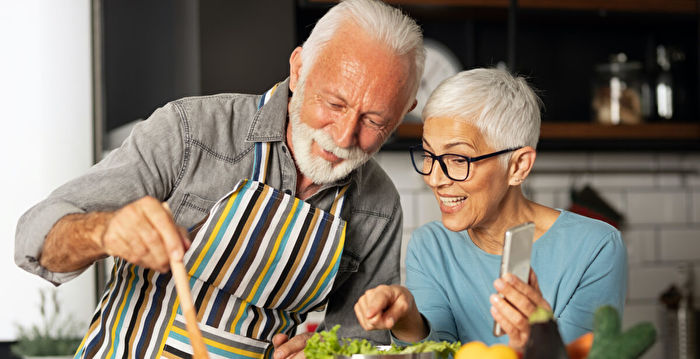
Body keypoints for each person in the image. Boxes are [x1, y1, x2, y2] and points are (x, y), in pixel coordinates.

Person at [14, 1, 425, 358]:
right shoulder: (192, 131)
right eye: (334, 103)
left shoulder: (377, 205)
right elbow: (34, 238)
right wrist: (103, 231)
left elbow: (360, 344)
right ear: (299, 70)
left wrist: (330, 352)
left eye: (375, 121)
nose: (343, 136)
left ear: (406, 110)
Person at [353, 68, 627, 351]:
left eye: (458, 159)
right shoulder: (431, 245)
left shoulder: (596, 247)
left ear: (518, 166)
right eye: (429, 155)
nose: (434, 178)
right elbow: (437, 351)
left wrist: (538, 344)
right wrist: (408, 319)